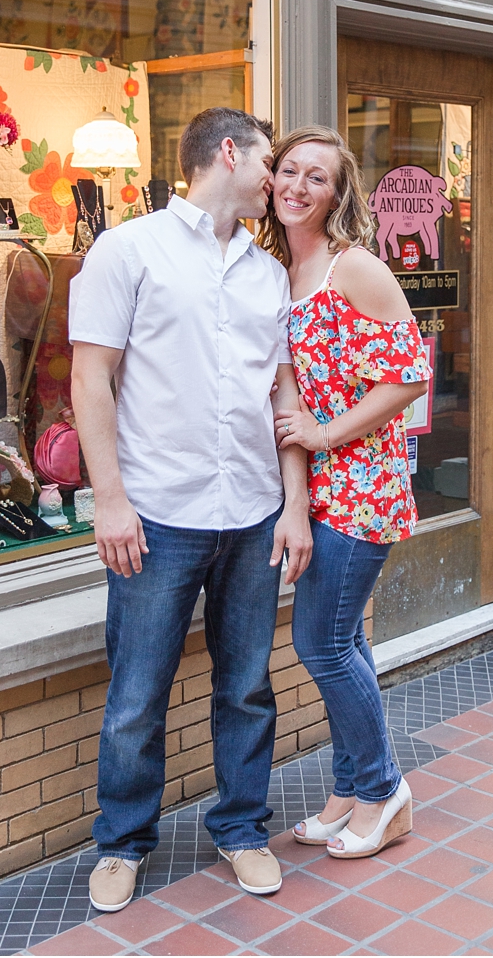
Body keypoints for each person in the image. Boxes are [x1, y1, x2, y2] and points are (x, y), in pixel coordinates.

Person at [69, 107, 315, 909]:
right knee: (137, 694)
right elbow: (90, 379)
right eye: (270, 160)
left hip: (250, 513)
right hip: (158, 516)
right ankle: (122, 843)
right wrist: (110, 500)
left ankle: (242, 829)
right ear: (229, 153)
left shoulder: (266, 272)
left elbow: (280, 390)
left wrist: (293, 503)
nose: (276, 177)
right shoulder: (126, 250)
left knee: (247, 685)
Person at [262, 125, 431, 860]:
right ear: (270, 182)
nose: (299, 185)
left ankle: (386, 788)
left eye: (318, 177)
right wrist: (297, 492)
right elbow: (287, 400)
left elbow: (410, 375)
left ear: (338, 194)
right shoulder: (276, 274)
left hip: (366, 486)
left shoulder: (352, 267)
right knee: (346, 639)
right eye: (289, 171)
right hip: (321, 490)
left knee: (321, 641)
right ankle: (349, 789)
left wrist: (328, 435)